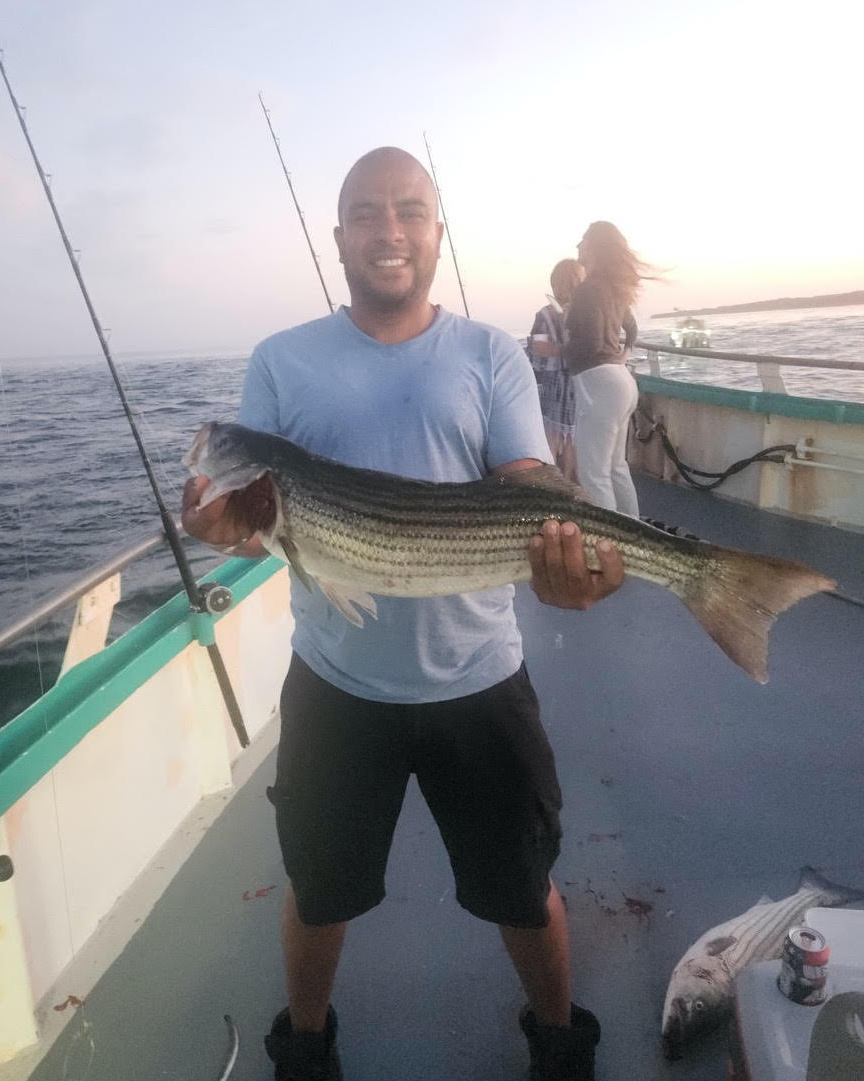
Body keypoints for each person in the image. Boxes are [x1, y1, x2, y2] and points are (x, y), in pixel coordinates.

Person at [181, 147, 624, 1081]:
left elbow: (521, 479)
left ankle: (558, 1043)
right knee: (317, 890)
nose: (389, 230)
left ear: (435, 230)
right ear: (337, 234)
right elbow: (255, 519)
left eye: (409, 210)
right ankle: (305, 1047)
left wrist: (570, 547)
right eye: (367, 213)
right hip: (337, 683)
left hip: (480, 675)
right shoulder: (280, 360)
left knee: (521, 888)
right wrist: (231, 529)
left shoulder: (488, 351)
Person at [562, 221, 644, 516]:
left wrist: (556, 350)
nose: (578, 246)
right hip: (621, 382)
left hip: (598, 384)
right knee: (616, 467)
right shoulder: (614, 289)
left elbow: (591, 344)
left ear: (594, 246)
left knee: (594, 474)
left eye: (583, 240)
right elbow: (631, 329)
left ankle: (609, 546)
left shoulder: (588, 289)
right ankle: (636, 532)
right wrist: (624, 354)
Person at [525, 259, 584, 481]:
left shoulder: (546, 313)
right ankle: (566, 483)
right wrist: (570, 351)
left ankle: (555, 484)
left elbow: (538, 348)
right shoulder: (577, 313)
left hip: (561, 381)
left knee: (556, 436)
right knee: (568, 436)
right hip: (574, 379)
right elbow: (541, 347)